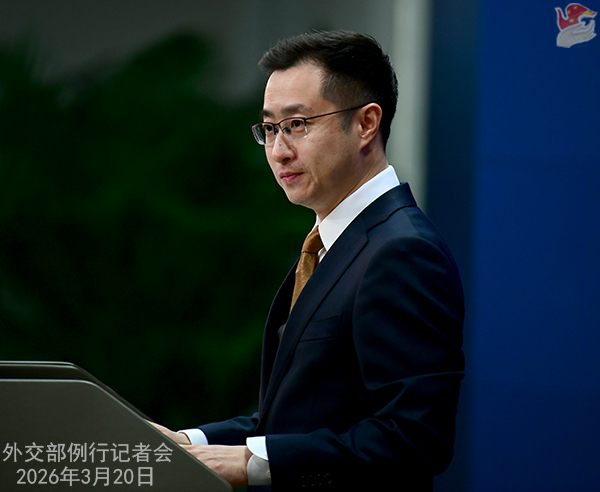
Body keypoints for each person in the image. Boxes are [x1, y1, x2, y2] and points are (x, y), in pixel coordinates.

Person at [153, 30, 465, 491]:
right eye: (270, 129)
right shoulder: (332, 243)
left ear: (366, 123)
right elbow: (298, 418)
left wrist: (252, 463)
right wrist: (186, 442)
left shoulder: (403, 252)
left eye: (297, 124)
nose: (279, 151)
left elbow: (415, 439)